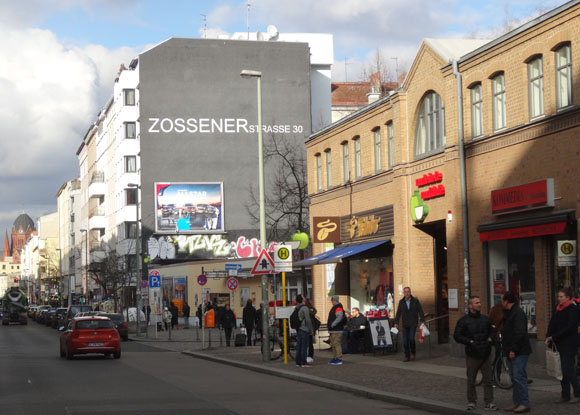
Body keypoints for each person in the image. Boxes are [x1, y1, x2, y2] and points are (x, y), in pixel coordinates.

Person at [453, 296, 498, 411]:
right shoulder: (463, 320)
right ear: (470, 305)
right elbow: (457, 336)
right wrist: (469, 341)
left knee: (488, 380)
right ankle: (472, 402)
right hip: (472, 354)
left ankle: (489, 402)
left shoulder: (486, 319)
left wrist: (490, 339)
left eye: (480, 302)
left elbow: (493, 331)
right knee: (471, 379)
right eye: (476, 303)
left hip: (486, 353)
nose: (479, 304)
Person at [545, 286, 580, 404]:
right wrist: (548, 335)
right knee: (560, 370)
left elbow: (570, 327)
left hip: (569, 344)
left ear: (568, 298)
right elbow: (552, 323)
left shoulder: (573, 309)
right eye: (558, 296)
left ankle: (577, 393)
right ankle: (565, 395)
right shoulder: (558, 308)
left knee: (568, 369)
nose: (559, 299)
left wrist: (554, 336)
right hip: (558, 343)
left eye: (561, 297)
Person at [501, 291, 532, 413]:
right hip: (511, 349)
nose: (501, 302)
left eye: (502, 299)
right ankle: (517, 402)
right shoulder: (508, 313)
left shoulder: (518, 313)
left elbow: (519, 333)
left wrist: (513, 349)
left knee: (519, 377)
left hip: (519, 350)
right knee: (514, 377)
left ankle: (524, 403)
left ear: (506, 301)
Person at [394, 286, 425, 362]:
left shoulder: (415, 301)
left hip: (413, 324)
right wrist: (396, 322)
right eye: (405, 292)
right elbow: (398, 313)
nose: (407, 293)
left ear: (410, 292)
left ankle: (413, 353)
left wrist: (422, 320)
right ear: (403, 293)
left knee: (411, 339)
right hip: (405, 324)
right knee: (405, 341)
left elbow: (420, 311)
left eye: (408, 292)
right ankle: (406, 355)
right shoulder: (401, 302)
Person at [295, 294, 313, 367]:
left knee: (299, 346)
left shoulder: (297, 307)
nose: (304, 297)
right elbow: (308, 319)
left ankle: (298, 362)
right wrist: (311, 329)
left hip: (299, 328)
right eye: (303, 297)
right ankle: (303, 362)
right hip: (304, 329)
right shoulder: (304, 308)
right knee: (304, 346)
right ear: (302, 299)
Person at [327, 295, 346, 365]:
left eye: (332, 300)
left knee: (336, 344)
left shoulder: (338, 307)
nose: (331, 301)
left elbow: (339, 317)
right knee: (333, 344)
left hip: (336, 329)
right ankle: (335, 358)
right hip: (333, 330)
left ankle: (339, 358)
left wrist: (332, 324)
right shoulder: (335, 307)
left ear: (334, 300)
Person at [305, 298, 319, 362]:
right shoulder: (312, 309)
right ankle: (310, 356)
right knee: (310, 343)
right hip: (312, 328)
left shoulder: (307, 310)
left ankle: (309, 356)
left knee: (308, 343)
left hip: (308, 328)